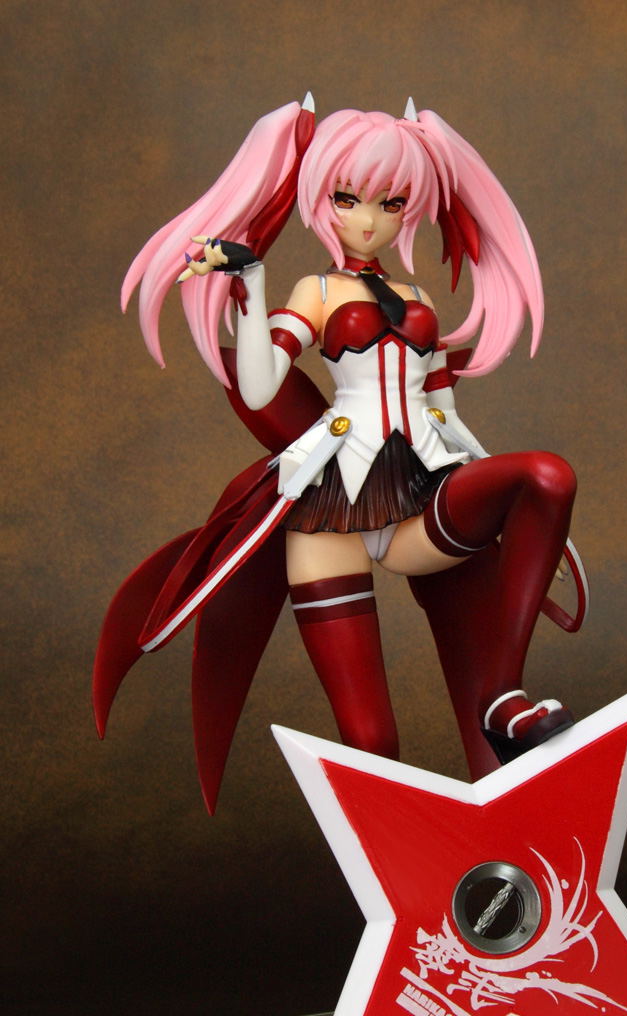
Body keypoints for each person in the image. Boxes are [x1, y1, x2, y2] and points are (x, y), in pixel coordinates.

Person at [94, 97, 585, 812]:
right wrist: (252, 285)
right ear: (320, 199)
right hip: (332, 508)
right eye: (347, 198)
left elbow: (445, 412)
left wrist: (509, 503)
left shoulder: (416, 294)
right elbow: (259, 386)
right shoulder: (317, 290)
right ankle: (396, 848)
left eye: (392, 202)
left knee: (547, 476)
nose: (368, 219)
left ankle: (503, 699)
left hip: (419, 495)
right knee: (372, 740)